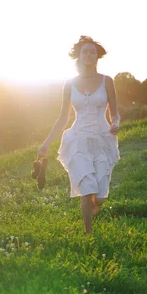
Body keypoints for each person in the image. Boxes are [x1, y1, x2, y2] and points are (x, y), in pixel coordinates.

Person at [37, 35, 120, 235]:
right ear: (79, 57)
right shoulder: (70, 84)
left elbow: (114, 112)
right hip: (78, 139)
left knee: (99, 197)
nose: (89, 55)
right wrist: (46, 143)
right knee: (87, 188)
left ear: (97, 56)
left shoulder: (107, 81)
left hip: (102, 138)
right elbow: (63, 117)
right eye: (85, 52)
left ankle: (94, 204)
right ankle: (88, 235)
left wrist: (116, 122)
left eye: (93, 52)